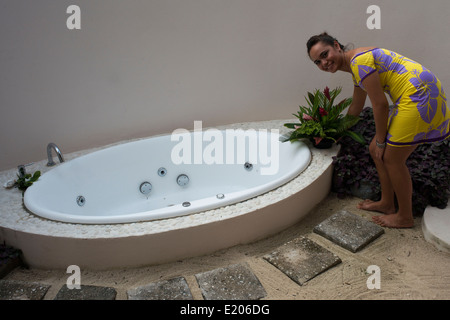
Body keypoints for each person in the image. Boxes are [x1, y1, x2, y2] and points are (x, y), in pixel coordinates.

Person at [307, 32, 449, 228]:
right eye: (317, 62)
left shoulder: (360, 62)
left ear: (337, 46)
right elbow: (356, 108)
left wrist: (381, 140)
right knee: (376, 151)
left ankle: (404, 217)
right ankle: (387, 203)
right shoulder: (357, 67)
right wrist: (334, 133)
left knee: (391, 158)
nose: (323, 63)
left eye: (325, 54)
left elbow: (380, 104)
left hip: (420, 96)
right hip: (418, 94)